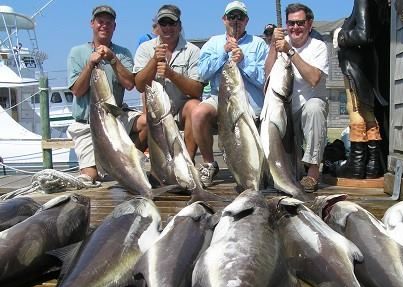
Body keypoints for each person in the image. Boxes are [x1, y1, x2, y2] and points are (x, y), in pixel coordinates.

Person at [67, 5, 147, 184]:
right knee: (90, 177)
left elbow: (129, 84)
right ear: (92, 24)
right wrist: (90, 64)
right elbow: (77, 91)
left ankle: (125, 165)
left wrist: (112, 59)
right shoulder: (77, 52)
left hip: (115, 118)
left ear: (114, 27)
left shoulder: (122, 53)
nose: (104, 26)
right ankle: (114, 166)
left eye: (108, 23)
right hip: (87, 124)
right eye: (100, 22)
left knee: (147, 121)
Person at [191, 1, 268, 187]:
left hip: (250, 100)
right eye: (231, 17)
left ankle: (255, 171)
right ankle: (209, 164)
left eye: (240, 17)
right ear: (224, 19)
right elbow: (202, 73)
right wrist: (222, 53)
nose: (236, 21)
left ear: (247, 20)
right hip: (220, 97)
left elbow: (264, 79)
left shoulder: (258, 44)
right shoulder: (213, 43)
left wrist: (243, 62)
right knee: (198, 113)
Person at [265, 3, 329, 192]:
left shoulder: (319, 47)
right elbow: (267, 76)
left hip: (306, 112)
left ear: (309, 24)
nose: (295, 28)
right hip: (284, 108)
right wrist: (273, 48)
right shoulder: (279, 43)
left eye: (300, 23)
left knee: (315, 107)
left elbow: (314, 79)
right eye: (291, 23)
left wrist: (290, 52)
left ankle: (313, 173)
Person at [134, 4, 204, 163]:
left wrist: (171, 74)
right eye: (163, 23)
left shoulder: (193, 51)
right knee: (144, 125)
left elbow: (197, 91)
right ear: (156, 27)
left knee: (194, 106)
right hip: (155, 112)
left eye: (172, 23)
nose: (168, 28)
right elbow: (139, 85)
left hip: (180, 112)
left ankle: (187, 164)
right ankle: (132, 167)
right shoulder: (145, 49)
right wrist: (154, 60)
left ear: (179, 26)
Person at [333, 0, 390, 179]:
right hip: (368, 64)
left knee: (355, 108)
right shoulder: (381, 5)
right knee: (367, 112)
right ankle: (372, 164)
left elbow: (363, 34)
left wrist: (341, 36)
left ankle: (356, 164)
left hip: (355, 63)